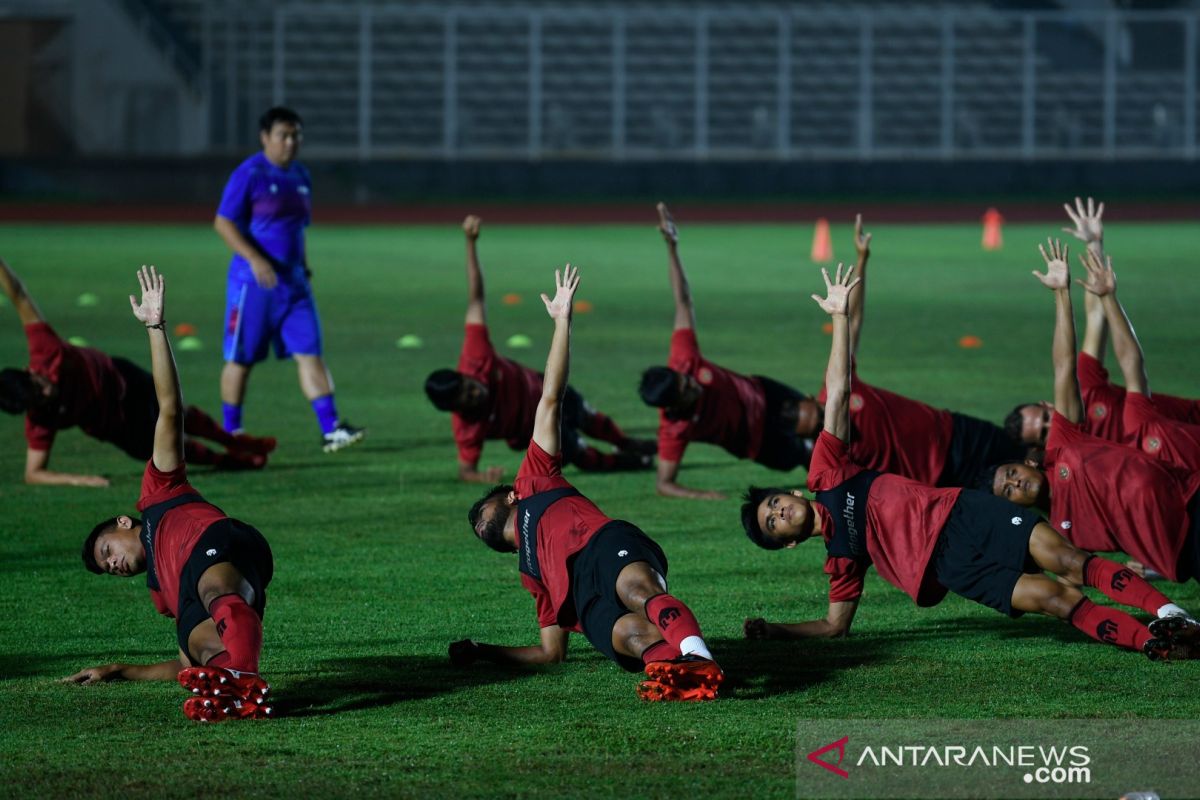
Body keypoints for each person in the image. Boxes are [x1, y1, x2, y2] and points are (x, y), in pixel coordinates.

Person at [739, 261, 1198, 659]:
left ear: (794, 491)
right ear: (788, 543)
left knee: (1070, 561)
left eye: (775, 504)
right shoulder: (841, 559)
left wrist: (839, 319)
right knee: (1054, 601)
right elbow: (834, 626)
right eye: (773, 522)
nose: (779, 512)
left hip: (965, 512)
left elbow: (838, 393)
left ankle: (1170, 613)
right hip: (950, 568)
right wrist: (777, 630)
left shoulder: (829, 474)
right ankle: (1156, 644)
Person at [448, 265, 724, 701]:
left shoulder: (534, 478)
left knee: (637, 590)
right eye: (477, 528)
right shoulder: (530, 574)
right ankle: (677, 673)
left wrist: (562, 323)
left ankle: (699, 657)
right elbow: (549, 653)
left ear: (508, 495)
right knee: (633, 637)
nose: (476, 523)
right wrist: (484, 651)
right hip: (583, 599)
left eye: (479, 513)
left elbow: (551, 397)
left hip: (601, 543)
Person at [63, 266, 276, 721]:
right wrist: (120, 670)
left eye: (107, 551)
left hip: (223, 542)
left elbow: (170, 410)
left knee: (211, 584)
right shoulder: (161, 593)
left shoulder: (157, 492)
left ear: (123, 522)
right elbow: (180, 666)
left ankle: (241, 679)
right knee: (194, 645)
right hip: (219, 598)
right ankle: (234, 681)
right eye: (108, 569)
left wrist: (156, 328)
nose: (114, 565)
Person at [985, 240, 1200, 588]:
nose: (1016, 482)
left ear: (1029, 462)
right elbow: (1076, 578)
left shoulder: (1070, 439)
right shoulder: (1061, 530)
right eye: (1009, 490)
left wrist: (1062, 293)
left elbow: (1068, 363)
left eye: (1011, 474)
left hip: (1191, 499)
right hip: (1182, 551)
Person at [0, 257, 275, 487]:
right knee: (177, 448)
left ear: (29, 371)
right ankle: (229, 462)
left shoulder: (44, 350)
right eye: (39, 397)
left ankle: (235, 443)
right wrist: (80, 479)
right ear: (30, 408)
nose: (46, 391)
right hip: (117, 425)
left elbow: (18, 294)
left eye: (39, 384)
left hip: (123, 377)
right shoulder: (41, 418)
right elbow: (33, 473)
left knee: (181, 412)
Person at [424, 215, 654, 483]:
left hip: (547, 385)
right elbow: (465, 470)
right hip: (538, 429)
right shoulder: (467, 426)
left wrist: (470, 243)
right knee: (584, 456)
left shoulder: (475, 357)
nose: (475, 390)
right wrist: (482, 477)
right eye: (467, 397)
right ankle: (633, 462)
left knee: (591, 419)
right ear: (457, 409)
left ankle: (626, 443)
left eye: (467, 384)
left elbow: (476, 299)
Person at [639, 203, 817, 499]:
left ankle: (873, 454)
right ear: (673, 405)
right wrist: (703, 495)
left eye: (686, 378)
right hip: (757, 440)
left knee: (823, 418)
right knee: (803, 457)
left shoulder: (684, 360)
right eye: (687, 388)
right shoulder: (675, 429)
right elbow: (664, 483)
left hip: (764, 394)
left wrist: (672, 247)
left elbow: (683, 301)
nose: (693, 380)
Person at [214, 106, 364, 453]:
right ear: (265, 137)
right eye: (283, 134)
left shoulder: (300, 175)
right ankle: (231, 432)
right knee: (241, 359)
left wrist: (304, 267)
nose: (291, 141)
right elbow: (223, 222)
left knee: (310, 352)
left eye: (296, 134)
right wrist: (255, 260)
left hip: (294, 285)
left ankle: (332, 429)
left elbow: (296, 230)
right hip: (254, 285)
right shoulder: (249, 174)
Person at [1006, 198, 1199, 449]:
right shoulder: (1079, 456)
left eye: (1045, 418)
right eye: (1045, 433)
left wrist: (1094, 244)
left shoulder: (1085, 385)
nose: (1051, 425)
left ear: (1047, 405)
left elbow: (1097, 317)